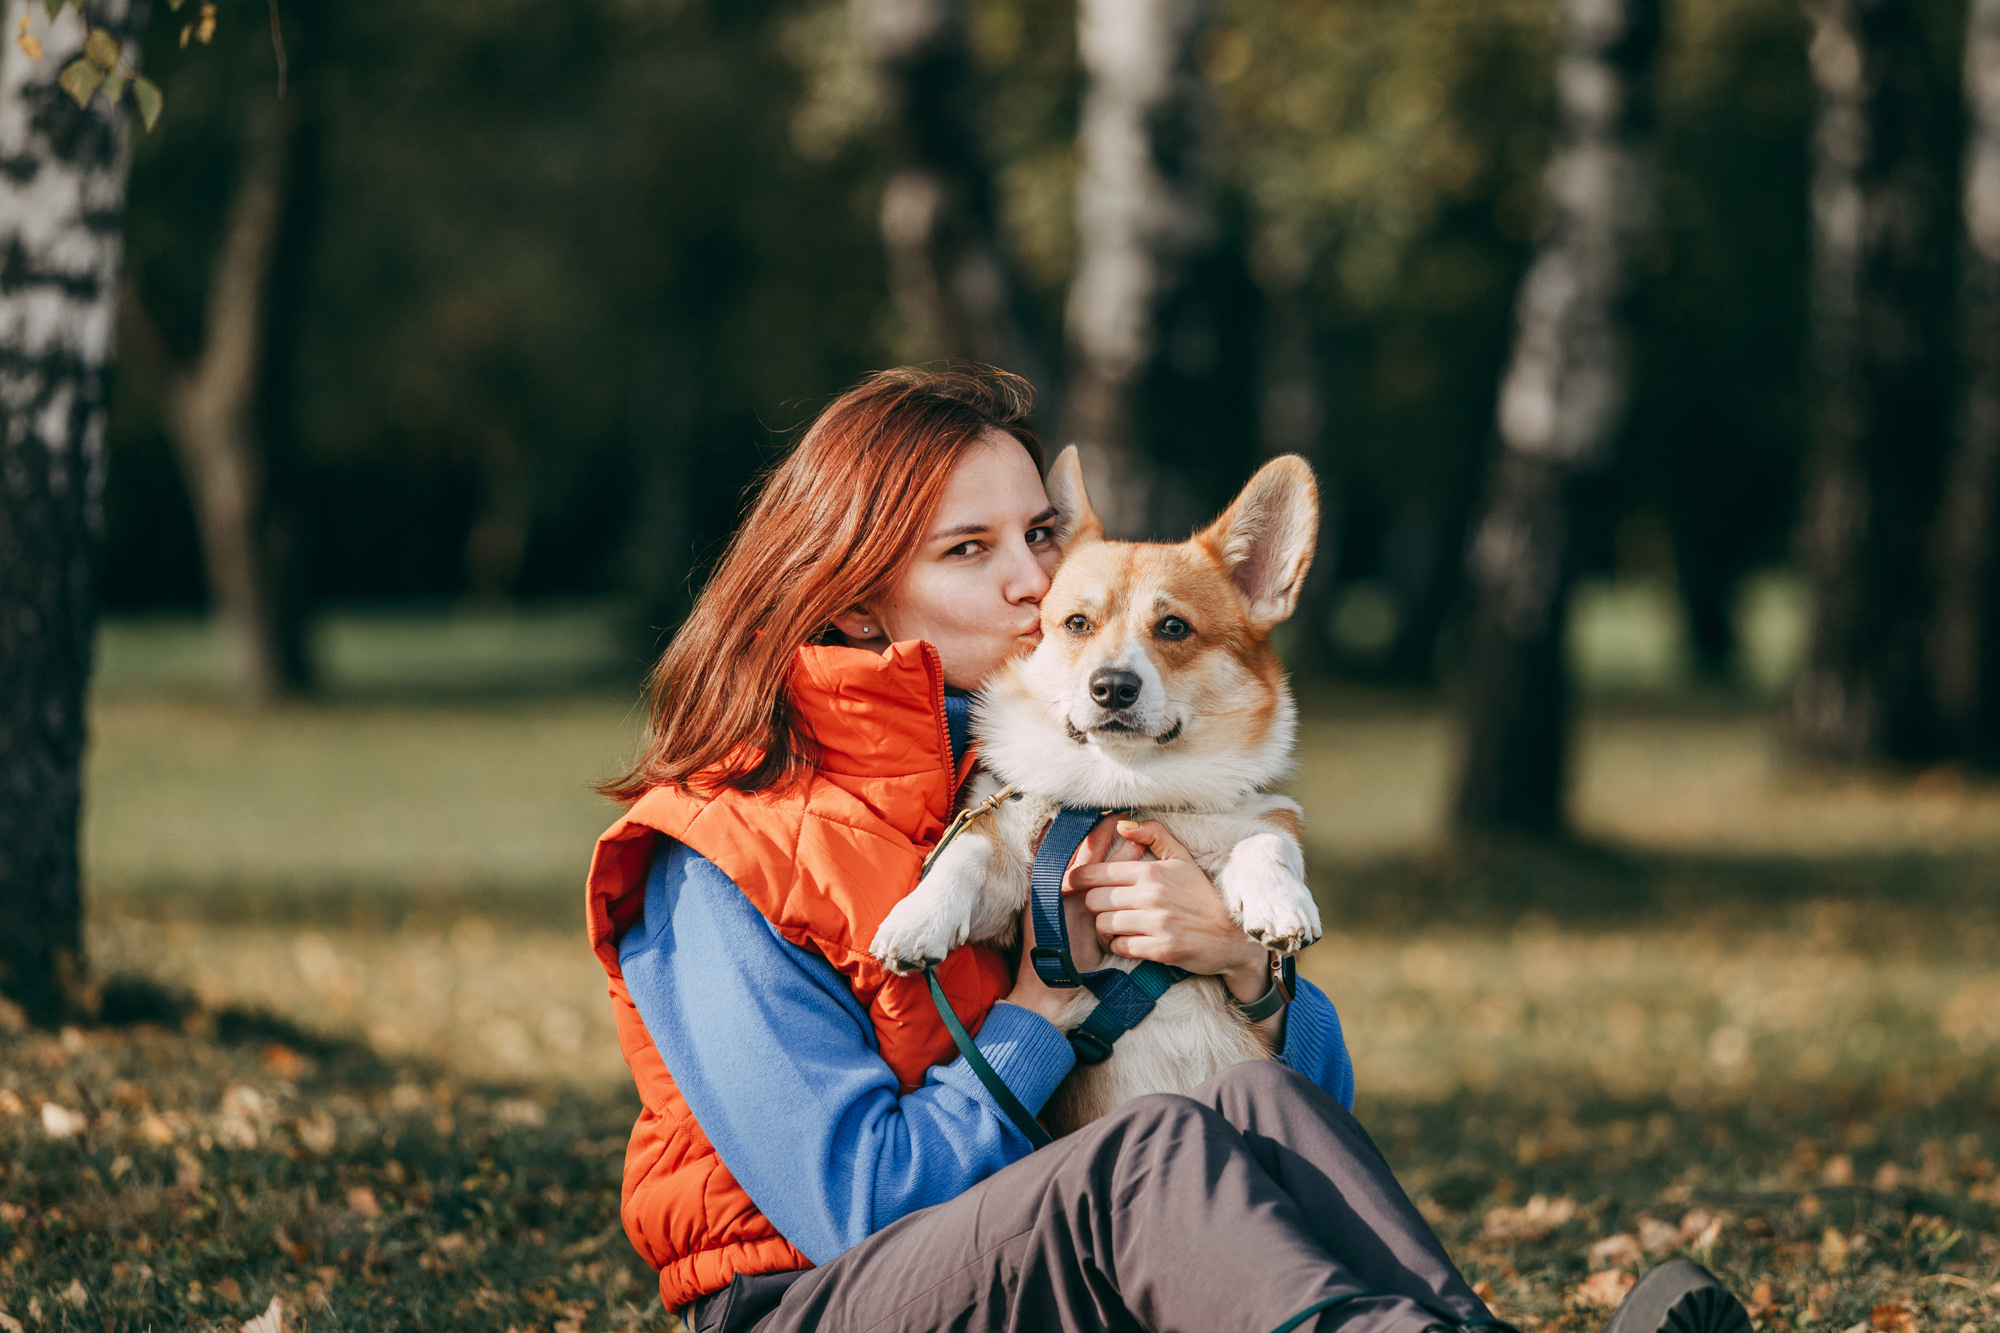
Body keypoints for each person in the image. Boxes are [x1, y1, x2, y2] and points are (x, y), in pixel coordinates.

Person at [584, 366, 1751, 1333]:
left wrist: (1243, 967)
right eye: (968, 550)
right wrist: (1047, 1013)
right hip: (812, 1304)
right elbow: (857, 1203)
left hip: (1024, 1251)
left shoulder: (1041, 768)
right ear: (850, 604)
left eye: (1039, 532)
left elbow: (1303, 1114)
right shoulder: (710, 855)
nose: (1038, 580)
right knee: (1149, 1153)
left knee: (1253, 1104)